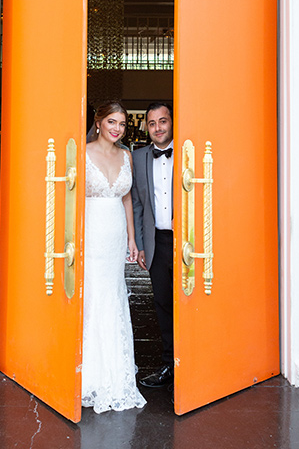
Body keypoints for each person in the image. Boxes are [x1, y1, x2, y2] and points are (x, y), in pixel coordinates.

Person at [82, 100, 146, 413]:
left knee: (113, 296)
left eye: (121, 123)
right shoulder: (82, 153)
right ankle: (90, 376)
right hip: (90, 234)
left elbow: (126, 199)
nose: (117, 129)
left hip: (115, 234)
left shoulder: (126, 156)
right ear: (99, 121)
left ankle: (115, 375)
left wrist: (132, 240)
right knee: (93, 297)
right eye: (112, 122)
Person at [131, 102, 174, 388]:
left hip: (186, 240)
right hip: (156, 241)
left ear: (172, 122)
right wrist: (140, 243)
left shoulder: (187, 150)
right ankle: (168, 365)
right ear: (147, 126)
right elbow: (136, 204)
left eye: (163, 121)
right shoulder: (139, 157)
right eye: (153, 123)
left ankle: (197, 367)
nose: (158, 128)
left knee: (192, 304)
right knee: (162, 304)